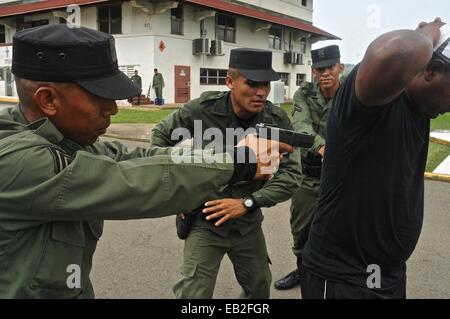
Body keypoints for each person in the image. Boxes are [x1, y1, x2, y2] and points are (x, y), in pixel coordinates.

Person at [0, 24, 291, 299]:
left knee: (257, 284)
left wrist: (230, 160)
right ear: (48, 100)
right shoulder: (19, 160)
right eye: (100, 97)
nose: (113, 109)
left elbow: (139, 157)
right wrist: (239, 162)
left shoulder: (65, 140)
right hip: (209, 221)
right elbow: (133, 182)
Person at [301, 18, 450, 299]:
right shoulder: (372, 101)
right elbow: (391, 53)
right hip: (343, 279)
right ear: (432, 69)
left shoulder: (422, 106)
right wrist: (426, 34)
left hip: (387, 275)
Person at [151, 48, 302, 299]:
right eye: (252, 84)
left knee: (259, 289)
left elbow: (291, 175)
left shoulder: (275, 119)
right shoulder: (202, 110)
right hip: (204, 220)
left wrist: (248, 202)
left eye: (265, 84)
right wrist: (180, 188)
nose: (261, 92)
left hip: (247, 223)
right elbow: (159, 138)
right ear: (230, 82)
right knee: (193, 295)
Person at [274, 45, 344, 290]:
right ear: (313, 72)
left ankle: (334, 278)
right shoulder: (304, 92)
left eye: (330, 68)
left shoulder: (351, 92)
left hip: (341, 177)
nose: (325, 73)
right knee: (301, 229)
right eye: (319, 69)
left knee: (342, 230)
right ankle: (303, 271)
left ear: (340, 68)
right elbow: (300, 124)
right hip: (308, 174)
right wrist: (322, 146)